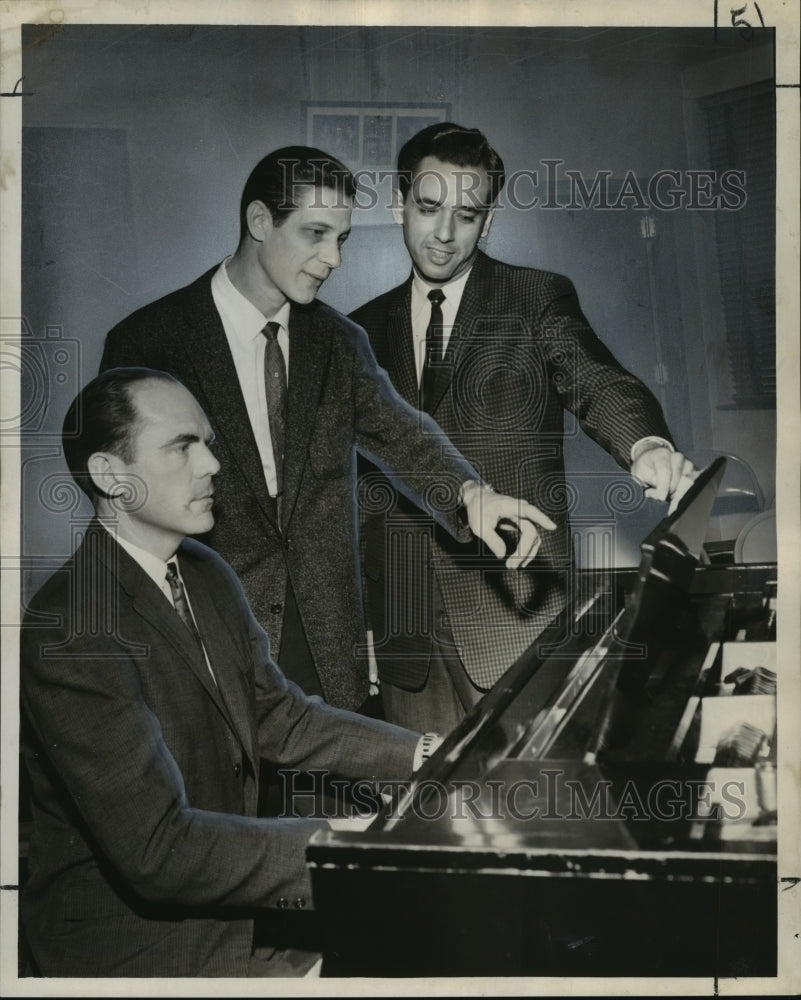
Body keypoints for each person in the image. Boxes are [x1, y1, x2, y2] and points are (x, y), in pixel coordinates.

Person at [19, 366, 446, 978]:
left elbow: (278, 717)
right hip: (133, 953)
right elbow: (157, 851)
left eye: (207, 442)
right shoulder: (70, 623)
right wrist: (352, 844)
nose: (212, 464)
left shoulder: (204, 571)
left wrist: (427, 755)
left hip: (238, 915)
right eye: (181, 446)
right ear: (110, 476)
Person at [100, 146, 555, 713]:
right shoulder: (149, 341)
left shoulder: (339, 341)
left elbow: (401, 432)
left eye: (340, 239)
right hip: (203, 631)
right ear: (261, 221)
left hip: (323, 648)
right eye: (315, 233)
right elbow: (120, 498)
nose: (332, 258)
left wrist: (471, 494)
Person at [350, 122, 697, 732]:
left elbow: (594, 378)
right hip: (406, 641)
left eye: (467, 213)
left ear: (489, 221)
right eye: (428, 208)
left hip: (517, 622)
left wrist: (644, 444)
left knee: (527, 813)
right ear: (398, 202)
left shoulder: (534, 298)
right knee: (420, 823)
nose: (444, 233)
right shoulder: (356, 332)